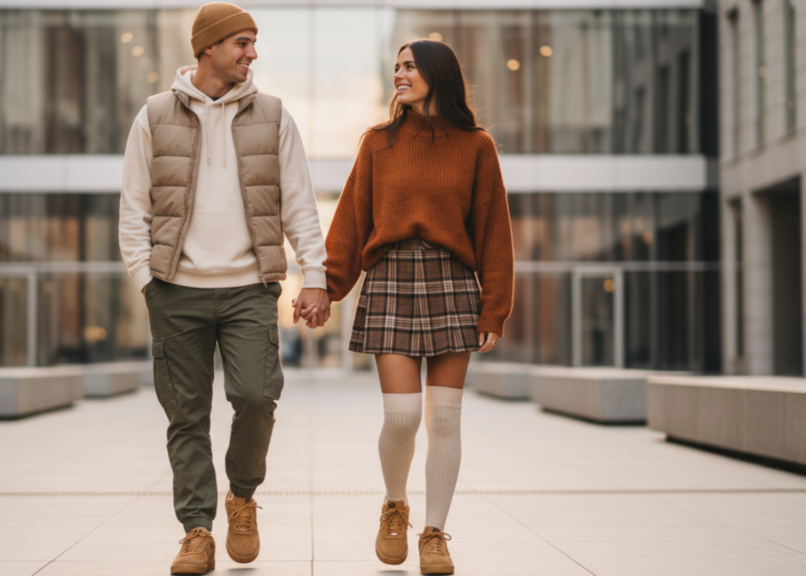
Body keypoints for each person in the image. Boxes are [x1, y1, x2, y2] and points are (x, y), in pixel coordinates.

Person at [118, 3, 330, 574]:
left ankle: (242, 495)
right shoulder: (154, 115)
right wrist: (148, 280)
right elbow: (134, 207)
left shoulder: (274, 116)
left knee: (257, 397)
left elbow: (299, 204)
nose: (252, 53)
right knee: (186, 416)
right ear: (207, 47)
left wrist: (315, 274)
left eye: (254, 43)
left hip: (248, 288)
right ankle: (196, 531)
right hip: (175, 290)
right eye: (241, 42)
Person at [322, 39, 514, 575]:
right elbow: (351, 223)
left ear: (436, 73)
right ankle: (394, 503)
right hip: (389, 280)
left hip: (454, 284)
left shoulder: (477, 146)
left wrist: (494, 307)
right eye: (397, 66)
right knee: (403, 416)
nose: (399, 74)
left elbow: (494, 230)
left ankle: (434, 532)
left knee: (445, 420)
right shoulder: (377, 143)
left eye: (409, 66)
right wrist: (328, 287)